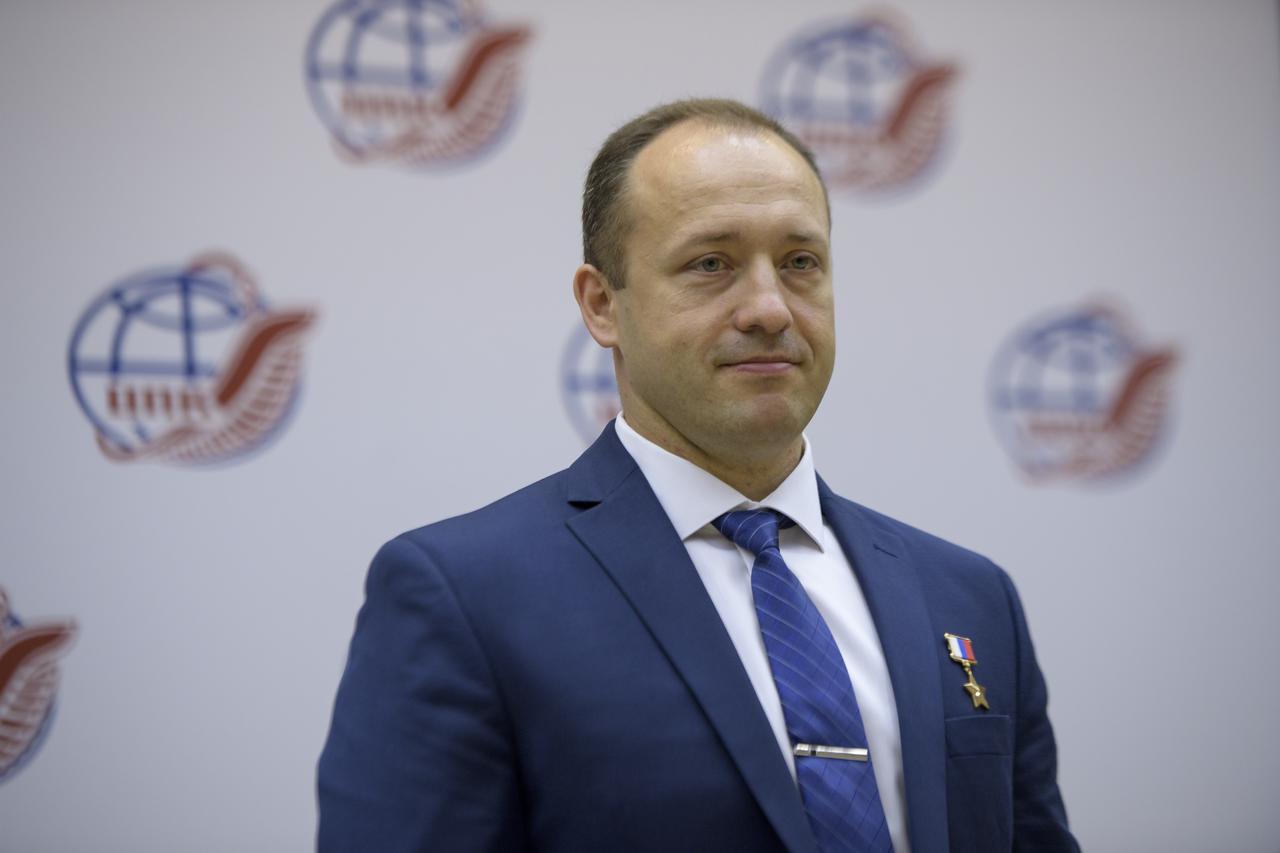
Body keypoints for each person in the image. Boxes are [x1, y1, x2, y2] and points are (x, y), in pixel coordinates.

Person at [317, 98, 1079, 853]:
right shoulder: (466, 597)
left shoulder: (969, 595)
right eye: (710, 263)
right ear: (601, 305)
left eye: (800, 262)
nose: (770, 308)